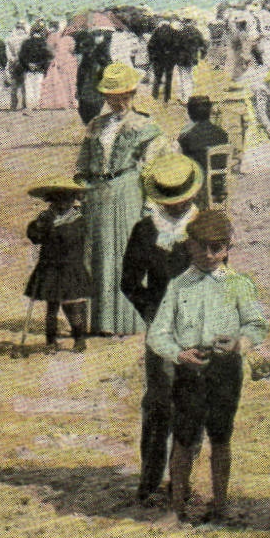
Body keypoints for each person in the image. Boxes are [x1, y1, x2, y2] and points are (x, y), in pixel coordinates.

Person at [146, 209, 268, 524]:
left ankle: (221, 505)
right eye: (202, 247)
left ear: (228, 248)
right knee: (184, 438)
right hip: (189, 370)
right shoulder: (177, 286)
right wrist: (178, 354)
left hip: (225, 369)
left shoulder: (239, 284)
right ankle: (176, 507)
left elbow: (257, 325)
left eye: (218, 247)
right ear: (189, 247)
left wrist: (240, 342)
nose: (210, 255)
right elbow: (157, 334)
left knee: (221, 437)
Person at [122, 153, 204, 504]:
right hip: (161, 331)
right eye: (170, 201)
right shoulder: (144, 230)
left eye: (181, 199)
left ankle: (181, 479)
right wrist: (152, 313)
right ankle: (150, 478)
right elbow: (128, 282)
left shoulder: (205, 227)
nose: (176, 206)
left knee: (192, 401)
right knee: (158, 402)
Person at [75, 63, 168, 335]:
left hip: (128, 191)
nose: (117, 100)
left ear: (132, 93)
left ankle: (127, 322)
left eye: (123, 94)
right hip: (97, 195)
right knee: (97, 255)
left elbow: (156, 167)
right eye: (112, 95)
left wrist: (151, 204)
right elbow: (82, 163)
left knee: (125, 255)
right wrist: (82, 188)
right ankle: (101, 322)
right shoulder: (96, 125)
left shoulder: (145, 125)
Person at [23, 178, 91, 352]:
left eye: (66, 200)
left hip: (69, 268)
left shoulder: (78, 220)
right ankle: (51, 341)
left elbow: (69, 239)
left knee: (72, 306)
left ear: (73, 200)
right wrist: (38, 225)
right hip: (50, 267)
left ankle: (79, 339)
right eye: (56, 201)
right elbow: (34, 237)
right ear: (51, 201)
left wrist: (51, 227)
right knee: (51, 307)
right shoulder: (46, 217)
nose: (61, 205)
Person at [177, 96, 230, 210]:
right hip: (219, 184)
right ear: (210, 111)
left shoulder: (188, 136)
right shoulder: (222, 134)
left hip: (200, 187)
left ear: (190, 113)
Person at [16, 22, 52, 114]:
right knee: (38, 87)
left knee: (29, 88)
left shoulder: (26, 43)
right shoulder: (44, 43)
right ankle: (37, 105)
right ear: (41, 32)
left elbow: (21, 57)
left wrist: (28, 64)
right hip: (39, 69)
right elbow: (47, 57)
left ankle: (30, 106)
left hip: (28, 69)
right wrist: (39, 65)